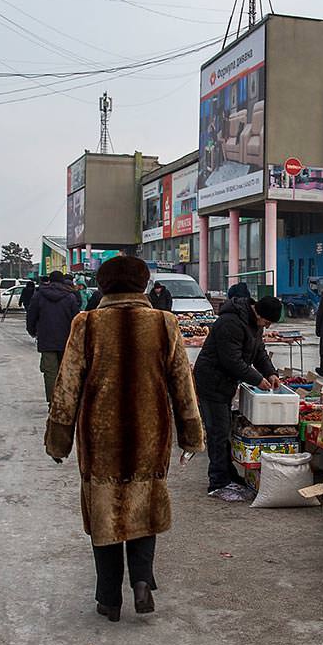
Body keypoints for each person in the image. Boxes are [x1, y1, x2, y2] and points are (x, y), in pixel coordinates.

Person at [46, 255, 204, 622]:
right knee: (144, 506)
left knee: (104, 512)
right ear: (144, 284)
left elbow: (67, 386)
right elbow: (183, 384)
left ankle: (108, 599)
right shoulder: (164, 323)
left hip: (100, 435)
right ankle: (142, 582)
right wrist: (191, 436)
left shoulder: (87, 324)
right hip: (150, 432)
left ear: (102, 286)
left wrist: (58, 440)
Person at [192, 289, 282, 500]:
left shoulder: (253, 325)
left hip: (226, 383)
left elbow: (259, 351)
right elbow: (231, 360)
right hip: (211, 380)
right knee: (217, 432)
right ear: (258, 313)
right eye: (267, 322)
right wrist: (257, 379)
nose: (267, 327)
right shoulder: (230, 322)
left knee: (224, 431)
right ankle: (218, 482)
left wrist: (270, 372)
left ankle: (228, 475)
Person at [25, 270, 82, 404]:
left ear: (49, 280)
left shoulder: (39, 295)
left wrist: (32, 331)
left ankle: (53, 402)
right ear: (62, 281)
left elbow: (31, 315)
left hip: (46, 338)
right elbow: (76, 318)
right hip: (66, 340)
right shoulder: (70, 297)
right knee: (65, 370)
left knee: (50, 372)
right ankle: (65, 400)